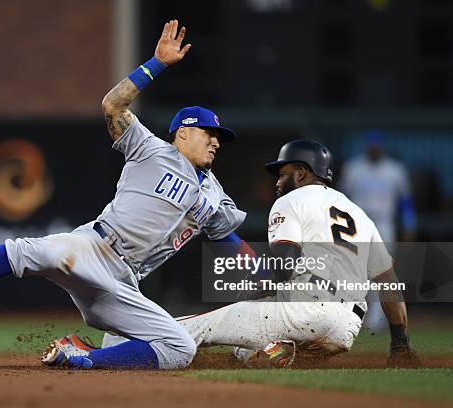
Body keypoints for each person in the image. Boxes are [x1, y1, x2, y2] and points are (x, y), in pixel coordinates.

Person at [0, 20, 248, 370]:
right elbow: (113, 105)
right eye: (209, 132)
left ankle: (82, 358)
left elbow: (226, 234)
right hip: (94, 247)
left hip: (124, 283)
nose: (217, 141)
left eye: (220, 137)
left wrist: (263, 267)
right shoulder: (151, 149)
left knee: (180, 348)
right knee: (30, 250)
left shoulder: (216, 195)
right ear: (183, 134)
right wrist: (156, 64)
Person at [96, 140, 420, 368]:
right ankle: (276, 353)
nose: (278, 181)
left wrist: (249, 287)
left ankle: (103, 355)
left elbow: (282, 269)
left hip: (304, 309)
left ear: (304, 173)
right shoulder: (359, 214)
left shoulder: (291, 202)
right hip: (346, 328)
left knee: (196, 327)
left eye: (283, 173)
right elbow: (389, 283)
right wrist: (400, 345)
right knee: (242, 348)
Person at [339, 130, 417, 331]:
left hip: (384, 223)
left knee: (382, 270)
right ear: (367, 146)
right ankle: (359, 314)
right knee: (356, 270)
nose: (374, 148)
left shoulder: (395, 169)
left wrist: (409, 225)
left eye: (377, 145)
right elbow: (341, 199)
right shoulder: (353, 168)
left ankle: (377, 317)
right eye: (371, 144)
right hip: (357, 224)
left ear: (382, 146)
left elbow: (406, 202)